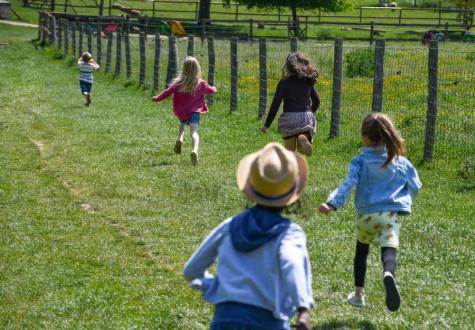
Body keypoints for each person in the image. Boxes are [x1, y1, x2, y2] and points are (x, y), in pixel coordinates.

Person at [183, 142, 314, 329]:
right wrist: (303, 308)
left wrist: (213, 284)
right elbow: (291, 263)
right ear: (292, 191)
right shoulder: (289, 233)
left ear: (250, 185)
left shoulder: (229, 226)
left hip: (224, 320)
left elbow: (191, 271)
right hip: (267, 321)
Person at [319, 112, 422, 312]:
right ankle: (388, 274)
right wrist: (403, 200)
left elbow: (347, 184)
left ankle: (359, 295)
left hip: (367, 215)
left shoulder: (360, 161)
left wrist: (332, 204)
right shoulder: (400, 161)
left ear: (365, 137)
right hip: (390, 215)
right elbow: (416, 185)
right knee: (389, 250)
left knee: (361, 252)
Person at [152, 56, 217, 166]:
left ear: (184, 69)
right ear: (197, 69)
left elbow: (167, 92)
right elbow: (211, 91)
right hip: (194, 111)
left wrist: (157, 98)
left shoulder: (178, 83)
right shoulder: (200, 83)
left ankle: (180, 138)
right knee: (194, 132)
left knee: (182, 124)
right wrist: (215, 88)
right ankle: (194, 150)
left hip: (181, 110)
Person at [261, 52, 320, 156]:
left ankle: (289, 167)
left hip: (290, 118)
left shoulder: (284, 82)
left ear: (288, 67)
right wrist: (310, 113)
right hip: (305, 116)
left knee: (289, 150)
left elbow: (275, 104)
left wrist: (267, 125)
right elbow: (317, 101)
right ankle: (303, 138)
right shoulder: (307, 81)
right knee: (303, 141)